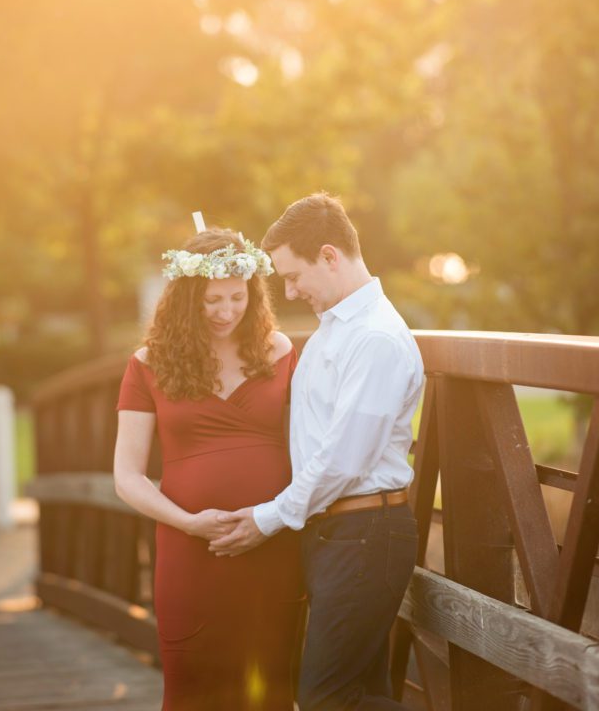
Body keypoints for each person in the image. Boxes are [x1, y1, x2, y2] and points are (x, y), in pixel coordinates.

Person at [209, 194, 424, 711]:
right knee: (362, 691)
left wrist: (268, 517)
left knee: (326, 700)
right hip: (335, 533)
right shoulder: (337, 330)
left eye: (293, 275)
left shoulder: (374, 340)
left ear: (329, 256)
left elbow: (344, 461)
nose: (288, 291)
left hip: (365, 535)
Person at [114, 227, 305, 711]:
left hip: (271, 542)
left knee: (271, 687)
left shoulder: (279, 351)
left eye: (237, 297)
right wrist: (189, 524)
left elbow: (311, 449)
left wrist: (271, 518)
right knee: (192, 690)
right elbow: (128, 476)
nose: (225, 311)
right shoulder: (148, 364)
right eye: (211, 300)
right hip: (188, 550)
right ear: (185, 297)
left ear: (252, 291)